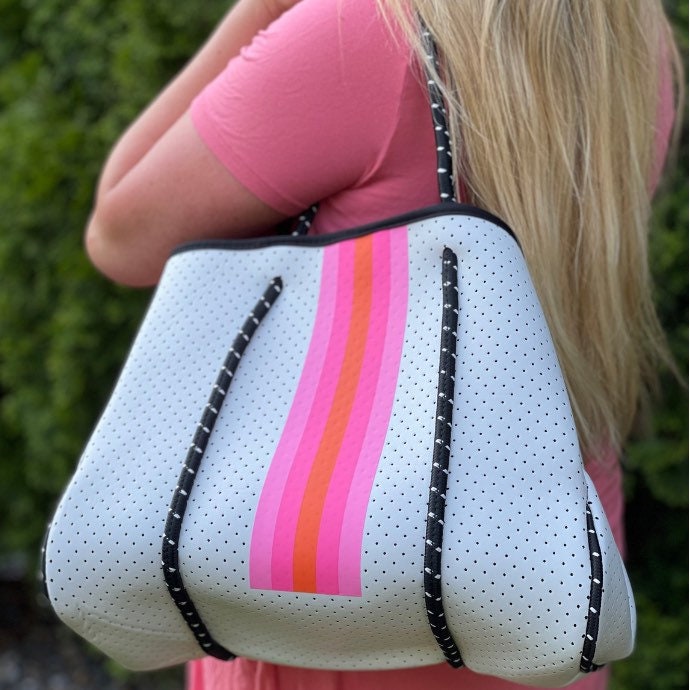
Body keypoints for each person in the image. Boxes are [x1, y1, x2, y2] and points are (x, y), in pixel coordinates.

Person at [84, 1, 680, 688]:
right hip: (539, 580)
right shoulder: (626, 35)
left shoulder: (366, 34)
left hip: (339, 597)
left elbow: (119, 236)